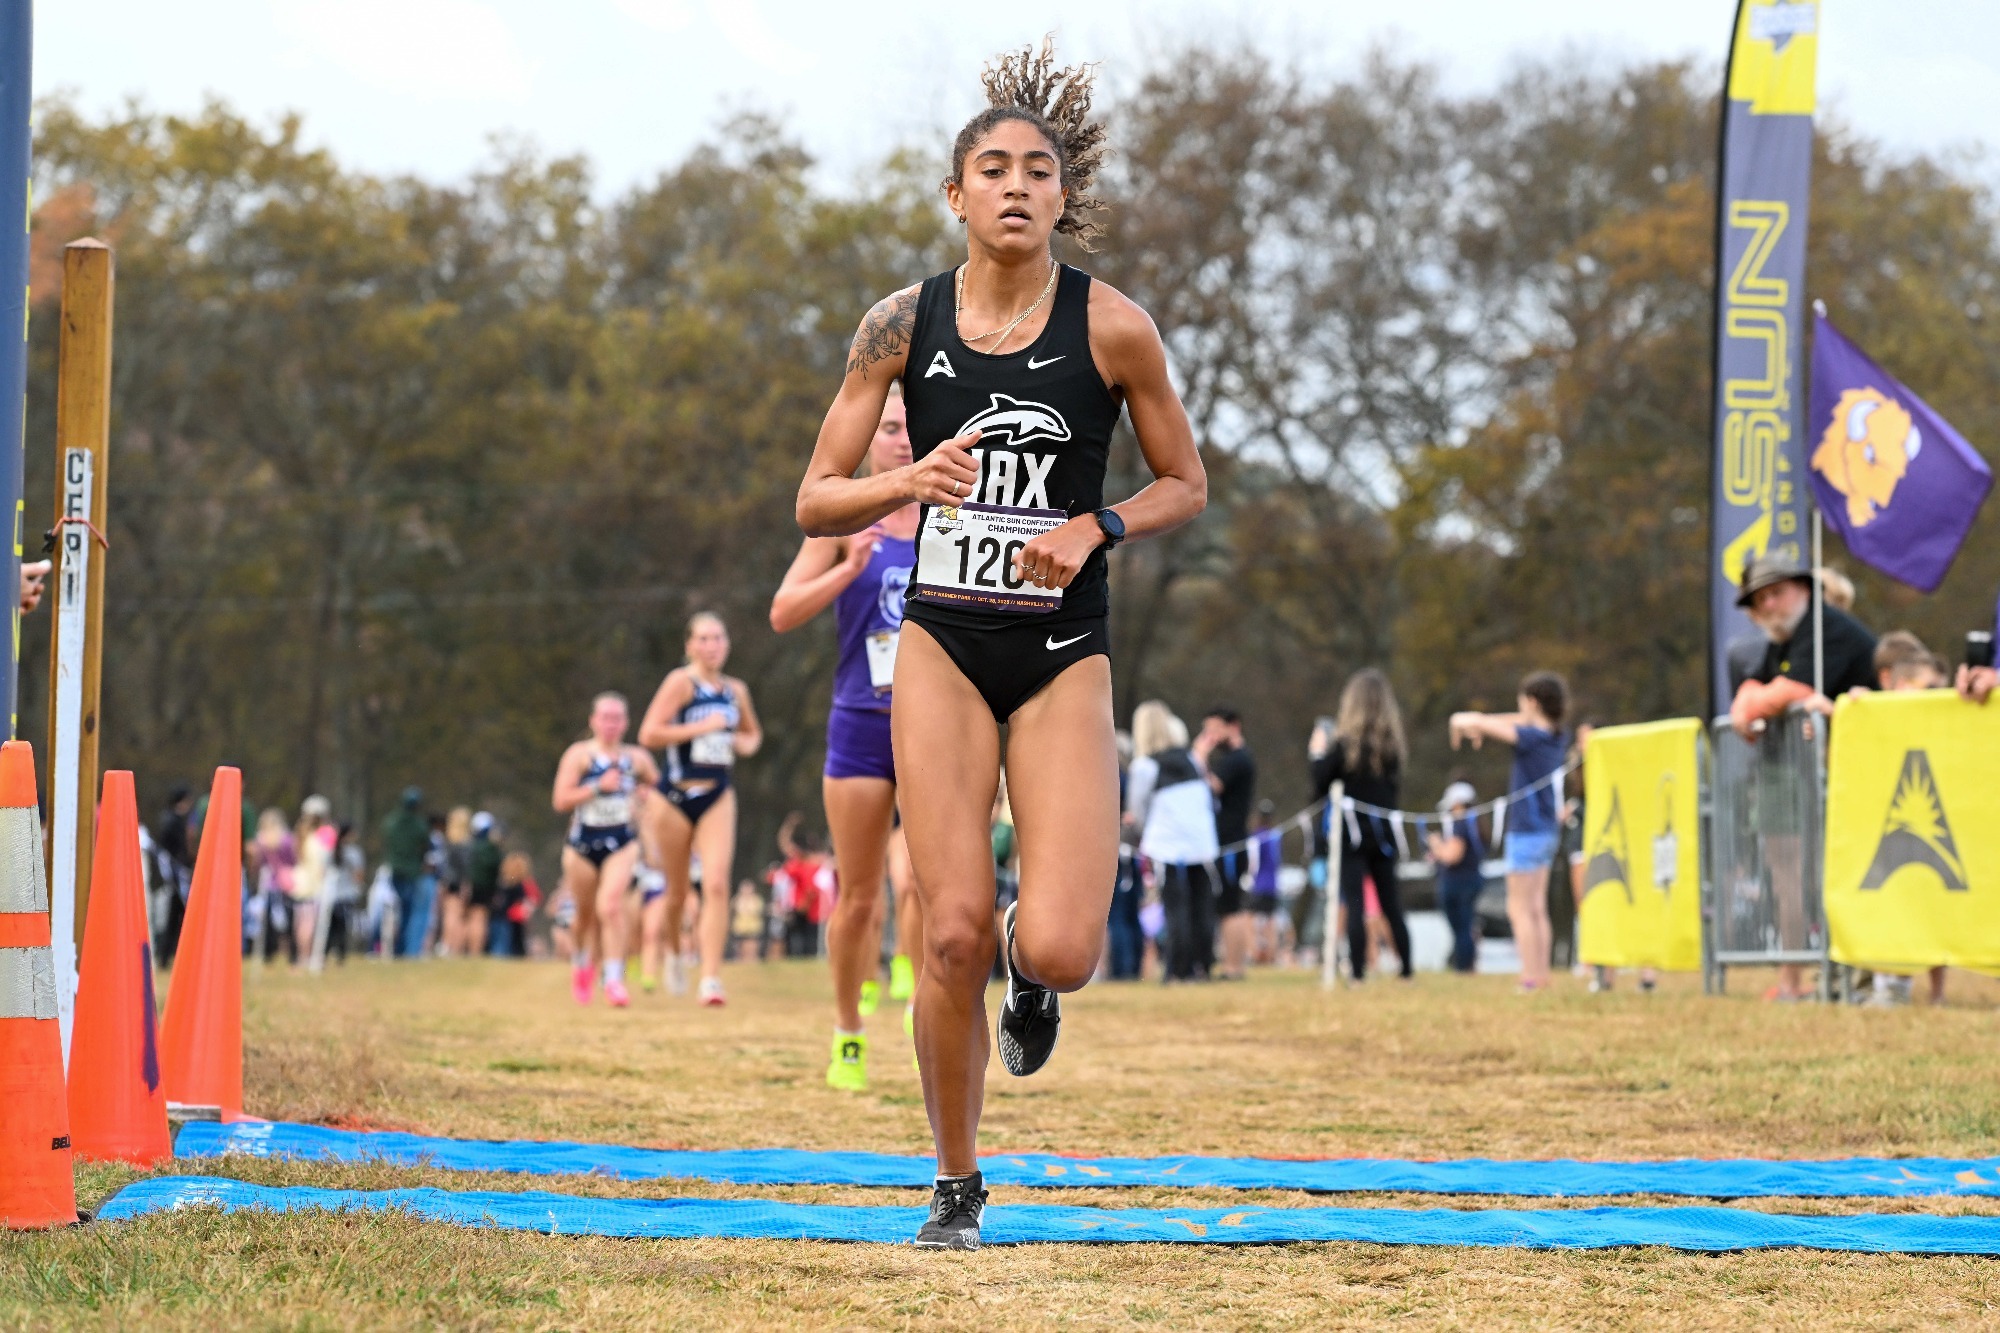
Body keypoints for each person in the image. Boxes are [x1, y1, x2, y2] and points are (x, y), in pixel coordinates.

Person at [790, 40, 1207, 1250]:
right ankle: (955, 1181)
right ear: (955, 194)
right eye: (992, 167)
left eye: (1038, 168)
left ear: (1062, 195)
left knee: (1063, 945)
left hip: (1061, 650)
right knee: (950, 925)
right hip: (943, 644)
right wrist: (904, 482)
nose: (1016, 185)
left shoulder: (1114, 328)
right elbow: (814, 496)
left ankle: (1033, 981)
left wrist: (1098, 521)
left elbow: (1185, 481)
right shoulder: (897, 323)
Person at [771, 382, 927, 1091]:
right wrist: (848, 571)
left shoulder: (948, 520)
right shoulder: (842, 522)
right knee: (859, 895)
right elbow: (782, 611)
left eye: (912, 427)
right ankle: (847, 1032)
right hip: (860, 723)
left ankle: (924, 1003)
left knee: (926, 882)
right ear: (866, 440)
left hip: (933, 725)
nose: (901, 438)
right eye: (890, 426)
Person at [1732, 554, 1877, 1000]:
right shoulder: (1785, 636)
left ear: (1803, 589)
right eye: (1760, 600)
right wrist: (1750, 702)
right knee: (1787, 875)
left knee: (1840, 872)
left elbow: (1793, 691)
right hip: (1794, 770)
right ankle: (1792, 980)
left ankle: (1856, 974)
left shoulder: (1828, 630)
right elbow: (1756, 687)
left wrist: (1753, 705)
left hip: (1853, 774)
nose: (1769, 606)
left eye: (1776, 593)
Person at [640, 613, 764, 1007]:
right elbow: (649, 734)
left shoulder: (735, 690)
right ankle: (675, 955)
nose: (712, 646)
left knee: (715, 884)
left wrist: (744, 744)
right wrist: (701, 727)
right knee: (676, 892)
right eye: (704, 639)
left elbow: (751, 733)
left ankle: (710, 978)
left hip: (717, 795)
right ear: (689, 645)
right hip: (674, 796)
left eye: (718, 638)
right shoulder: (681, 682)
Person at [1450, 670, 1569, 993]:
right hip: (1545, 832)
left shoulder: (1532, 738)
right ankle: (1541, 975)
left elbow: (1499, 727)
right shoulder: (1556, 735)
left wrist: (1470, 719)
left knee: (1518, 908)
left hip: (1527, 832)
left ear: (1531, 701)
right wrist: (1480, 720)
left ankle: (1529, 978)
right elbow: (1513, 720)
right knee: (1537, 908)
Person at [553, 692, 658, 1004]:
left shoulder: (637, 759)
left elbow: (660, 791)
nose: (611, 724)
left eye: (617, 718)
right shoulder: (579, 756)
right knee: (584, 917)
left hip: (622, 843)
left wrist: (646, 796)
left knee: (611, 906)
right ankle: (582, 963)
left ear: (625, 723)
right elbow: (560, 800)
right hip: (582, 846)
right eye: (605, 717)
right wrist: (598, 787)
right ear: (593, 721)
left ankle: (613, 978)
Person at [1315, 669, 1413, 983]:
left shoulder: (1343, 747)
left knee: (1354, 901)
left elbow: (1318, 782)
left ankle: (1357, 973)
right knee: (1390, 903)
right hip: (1383, 833)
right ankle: (1406, 969)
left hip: (1352, 835)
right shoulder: (1393, 748)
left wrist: (1316, 752)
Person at [1126, 701, 1218, 982]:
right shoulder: (1189, 759)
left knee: (1176, 906)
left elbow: (1137, 808)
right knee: (1201, 903)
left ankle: (1177, 968)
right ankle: (1202, 964)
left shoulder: (1145, 766)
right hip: (1201, 842)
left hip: (1168, 844)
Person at [1195, 706, 1255, 980]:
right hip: (1230, 841)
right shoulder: (1236, 758)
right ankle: (1233, 965)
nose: (1210, 736)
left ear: (1233, 726)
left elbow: (1211, 787)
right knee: (1229, 905)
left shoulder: (1236, 760)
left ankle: (1233, 967)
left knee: (1230, 906)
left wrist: (1199, 756)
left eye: (1213, 729)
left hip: (1230, 843)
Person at [1428, 781, 1485, 974]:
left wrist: (1436, 845)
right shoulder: (1473, 823)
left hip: (1458, 883)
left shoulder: (1461, 824)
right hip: (1468, 881)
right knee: (1466, 927)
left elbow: (1452, 856)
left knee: (1462, 928)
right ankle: (1466, 965)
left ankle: (1463, 967)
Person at [379, 788, 429, 959]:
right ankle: (402, 949)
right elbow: (425, 846)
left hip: (393, 870)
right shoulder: (419, 824)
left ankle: (391, 948)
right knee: (407, 913)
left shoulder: (391, 821)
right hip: (411, 873)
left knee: (391, 911)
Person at [250, 808, 296, 965]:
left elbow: (258, 863)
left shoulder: (260, 841)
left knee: (267, 921)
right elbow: (293, 860)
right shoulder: (287, 839)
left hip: (268, 883)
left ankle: (267, 953)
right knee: (289, 920)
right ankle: (291, 953)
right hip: (286, 882)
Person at [293, 795, 335, 967]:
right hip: (315, 884)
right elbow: (324, 862)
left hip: (299, 883)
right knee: (310, 923)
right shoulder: (323, 836)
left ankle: (303, 956)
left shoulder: (300, 834)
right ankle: (308, 957)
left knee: (301, 922)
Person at [1245, 802, 1284, 964]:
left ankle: (1254, 953)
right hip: (1273, 885)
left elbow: (1253, 864)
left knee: (1248, 918)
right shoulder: (1276, 836)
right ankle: (1271, 956)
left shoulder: (1256, 838)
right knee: (1270, 921)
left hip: (1258, 884)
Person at [435, 807, 473, 957]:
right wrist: (466, 884)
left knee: (450, 914)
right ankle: (455, 947)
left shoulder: (448, 841)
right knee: (457, 915)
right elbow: (466, 867)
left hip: (449, 881)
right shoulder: (467, 843)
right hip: (459, 881)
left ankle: (448, 945)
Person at [466, 811, 503, 957]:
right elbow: (497, 869)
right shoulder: (492, 848)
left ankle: (469, 951)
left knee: (469, 918)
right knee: (479, 919)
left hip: (471, 886)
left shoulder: (470, 846)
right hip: (486, 888)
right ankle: (475, 951)